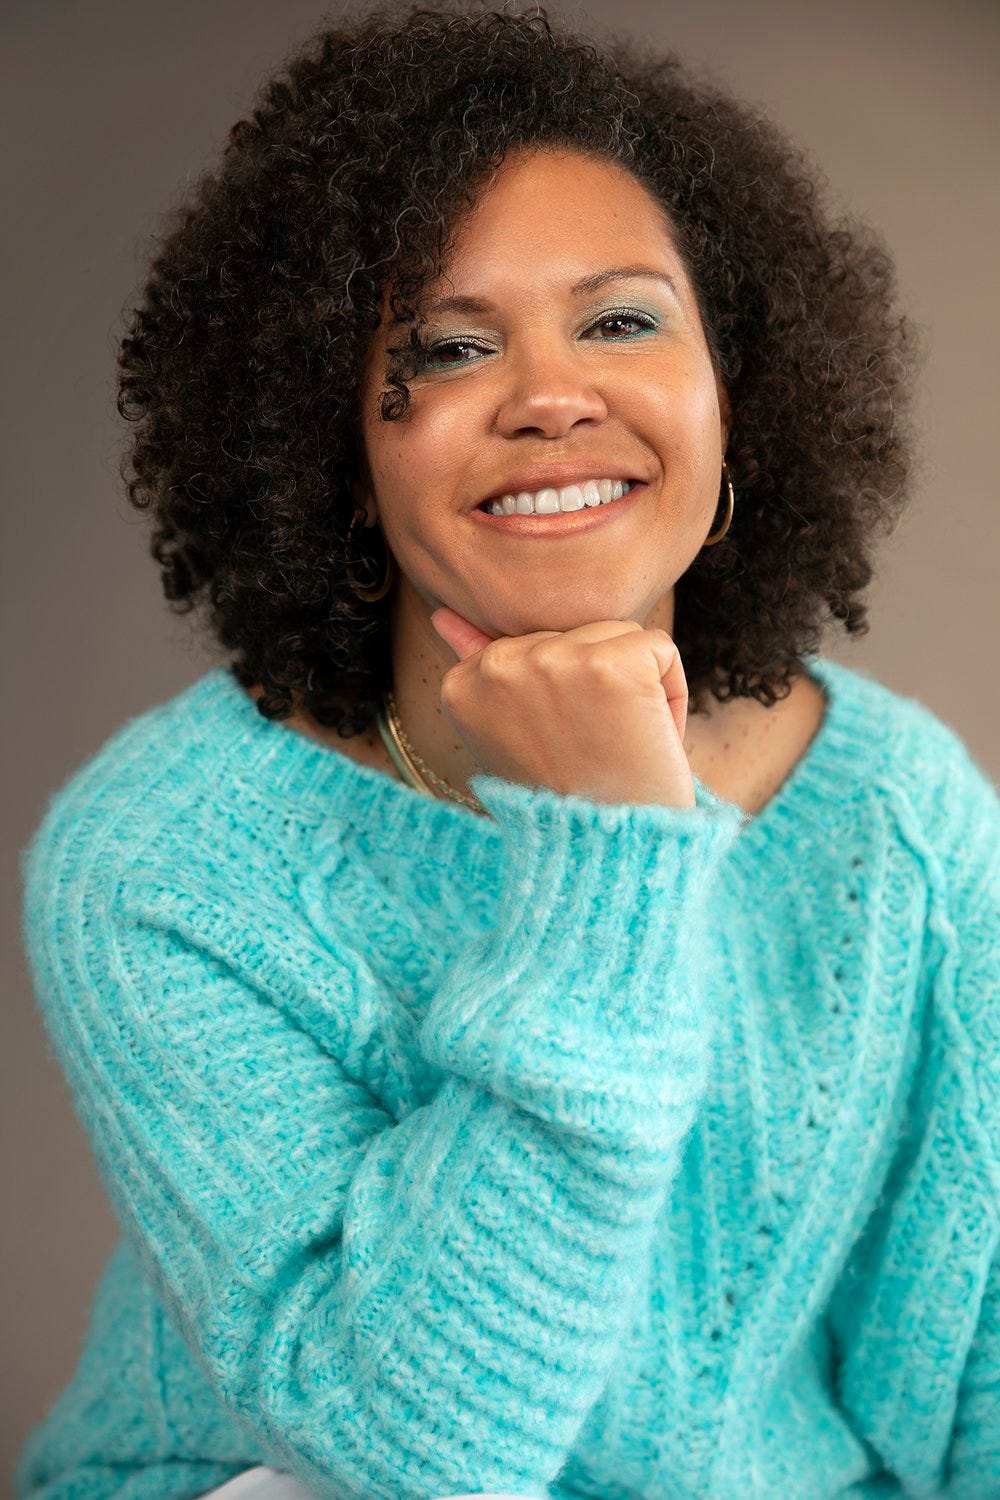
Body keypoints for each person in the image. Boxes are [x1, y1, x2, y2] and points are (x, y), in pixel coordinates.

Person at [14, 2, 999, 1498]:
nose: (551, 397)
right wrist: (608, 855)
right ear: (335, 447)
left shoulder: (901, 816)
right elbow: (414, 1451)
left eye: (621, 320)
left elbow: (975, 1364)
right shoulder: (160, 858)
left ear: (738, 393)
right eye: (450, 347)